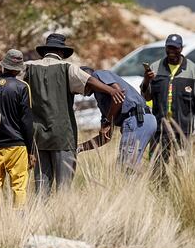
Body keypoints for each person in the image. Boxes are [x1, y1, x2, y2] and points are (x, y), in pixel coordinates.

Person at [24, 34, 125, 193]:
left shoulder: (29, 67)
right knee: (64, 188)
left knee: (41, 187)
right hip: (63, 136)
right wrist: (111, 90)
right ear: (62, 52)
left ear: (45, 51)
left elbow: (6, 70)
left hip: (38, 136)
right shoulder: (67, 68)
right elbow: (89, 81)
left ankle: (39, 216)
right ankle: (62, 216)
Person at [140, 34, 195, 162]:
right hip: (159, 130)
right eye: (169, 48)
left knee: (182, 167)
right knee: (157, 167)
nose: (172, 51)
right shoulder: (155, 68)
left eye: (175, 48)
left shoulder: (193, 71)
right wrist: (146, 80)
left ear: (181, 49)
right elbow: (146, 97)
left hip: (183, 130)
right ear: (165, 48)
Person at [77, 67, 157, 170]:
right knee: (129, 165)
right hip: (142, 120)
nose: (78, 90)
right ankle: (138, 185)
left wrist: (108, 121)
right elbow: (105, 137)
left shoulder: (97, 75)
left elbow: (118, 93)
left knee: (126, 167)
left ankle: (131, 186)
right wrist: (79, 147)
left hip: (137, 120)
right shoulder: (102, 100)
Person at [0, 49, 34, 210]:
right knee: (19, 186)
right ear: (18, 69)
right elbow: (26, 121)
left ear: (3, 66)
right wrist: (31, 149)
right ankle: (18, 222)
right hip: (17, 144)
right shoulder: (22, 87)